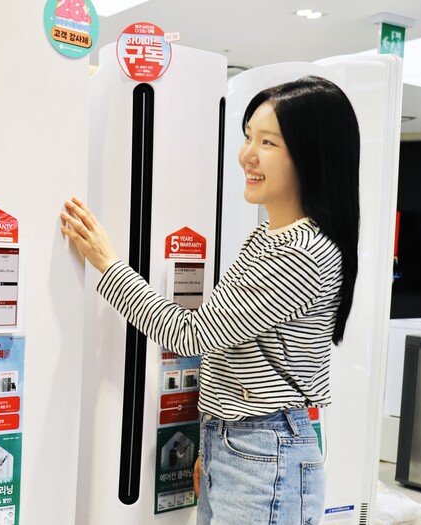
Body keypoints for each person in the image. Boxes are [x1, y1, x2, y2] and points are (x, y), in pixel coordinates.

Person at [60, 76, 360, 524]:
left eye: (268, 143)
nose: (247, 155)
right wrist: (214, 445)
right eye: (248, 136)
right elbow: (231, 356)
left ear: (311, 154)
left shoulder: (301, 253)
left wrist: (107, 263)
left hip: (264, 455)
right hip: (244, 447)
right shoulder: (268, 238)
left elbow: (191, 334)